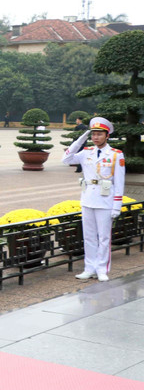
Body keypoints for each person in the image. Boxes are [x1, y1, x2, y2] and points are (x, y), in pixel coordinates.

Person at [63, 117, 125, 282]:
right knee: (89, 237)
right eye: (93, 134)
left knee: (104, 237)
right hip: (88, 199)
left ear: (107, 136)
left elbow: (119, 182)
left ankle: (102, 269)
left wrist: (117, 206)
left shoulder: (115, 155)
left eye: (99, 134)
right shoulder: (86, 152)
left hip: (105, 200)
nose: (95, 137)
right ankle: (89, 268)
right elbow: (66, 159)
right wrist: (79, 140)